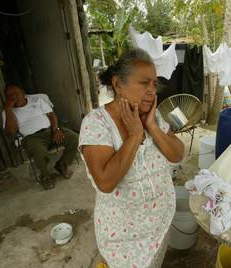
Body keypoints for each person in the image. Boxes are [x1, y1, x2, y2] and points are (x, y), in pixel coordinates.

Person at [79, 49, 185, 267]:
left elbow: (177, 154)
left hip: (160, 224)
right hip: (124, 239)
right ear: (118, 85)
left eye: (154, 84)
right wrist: (135, 136)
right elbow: (106, 182)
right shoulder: (96, 123)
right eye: (144, 83)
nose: (152, 91)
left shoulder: (153, 116)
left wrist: (152, 127)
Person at [2, 84, 78, 190]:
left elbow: (51, 115)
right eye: (10, 95)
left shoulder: (37, 101)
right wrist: (9, 110)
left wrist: (56, 130)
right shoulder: (7, 112)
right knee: (39, 151)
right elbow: (11, 131)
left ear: (23, 92)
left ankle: (62, 164)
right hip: (32, 138)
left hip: (50, 131)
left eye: (16, 93)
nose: (13, 96)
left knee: (74, 138)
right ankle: (45, 176)